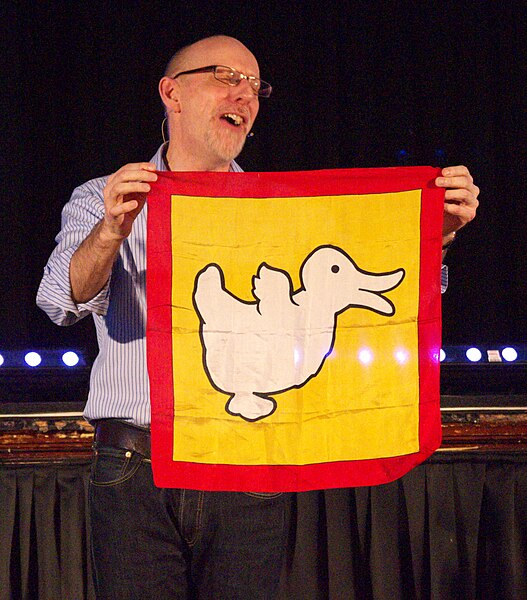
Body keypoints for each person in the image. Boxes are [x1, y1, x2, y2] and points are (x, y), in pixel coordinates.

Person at [37, 35, 480, 599]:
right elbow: (58, 300)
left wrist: (433, 237)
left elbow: (374, 301)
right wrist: (110, 232)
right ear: (171, 92)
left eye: (255, 86)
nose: (245, 95)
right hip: (135, 465)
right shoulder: (104, 196)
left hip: (246, 459)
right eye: (227, 77)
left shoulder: (278, 208)